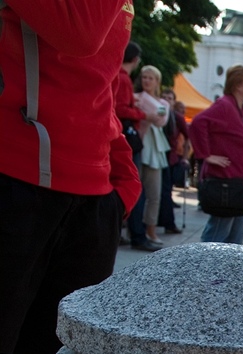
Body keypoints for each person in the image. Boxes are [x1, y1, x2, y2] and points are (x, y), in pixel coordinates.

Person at [0, 2, 142, 353]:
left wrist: (121, 183)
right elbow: (80, 34)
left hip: (93, 195)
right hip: (16, 178)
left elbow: (101, 84)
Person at [188, 65, 243, 244]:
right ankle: (201, 269)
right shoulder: (225, 105)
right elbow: (198, 123)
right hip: (226, 182)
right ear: (238, 85)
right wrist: (206, 155)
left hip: (240, 183)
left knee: (235, 238)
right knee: (216, 236)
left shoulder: (241, 109)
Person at [115, 41, 162, 252]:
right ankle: (137, 234)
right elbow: (121, 109)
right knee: (133, 186)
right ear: (135, 60)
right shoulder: (123, 79)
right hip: (129, 138)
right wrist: (144, 114)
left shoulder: (120, 77)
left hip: (130, 138)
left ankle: (127, 231)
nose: (146, 80)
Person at [136, 65, 171, 245]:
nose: (147, 81)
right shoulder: (135, 98)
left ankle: (151, 229)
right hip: (139, 144)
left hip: (155, 147)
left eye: (150, 78)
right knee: (135, 191)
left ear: (157, 81)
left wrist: (147, 113)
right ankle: (132, 229)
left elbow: (160, 122)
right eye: (144, 77)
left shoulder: (162, 103)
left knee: (154, 193)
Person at [157, 88, 189, 233]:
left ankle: (168, 224)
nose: (166, 100)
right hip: (156, 155)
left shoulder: (176, 117)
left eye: (169, 98)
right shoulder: (157, 112)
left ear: (173, 101)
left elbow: (189, 135)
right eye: (164, 97)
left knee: (165, 191)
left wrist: (185, 157)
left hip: (170, 158)